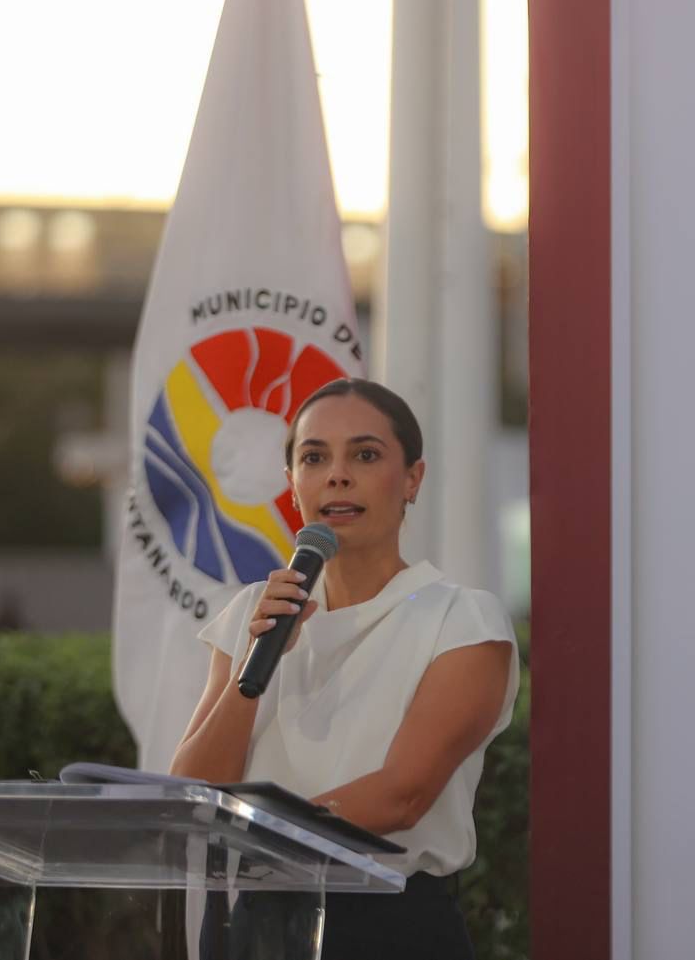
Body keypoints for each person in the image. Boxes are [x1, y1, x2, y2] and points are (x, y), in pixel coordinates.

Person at [170, 378, 518, 960]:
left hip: (388, 922)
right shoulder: (253, 615)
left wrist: (247, 833)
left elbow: (402, 796)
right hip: (255, 920)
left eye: (365, 454)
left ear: (412, 478)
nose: (337, 475)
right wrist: (255, 668)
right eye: (314, 457)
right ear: (292, 484)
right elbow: (193, 789)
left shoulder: (462, 619)